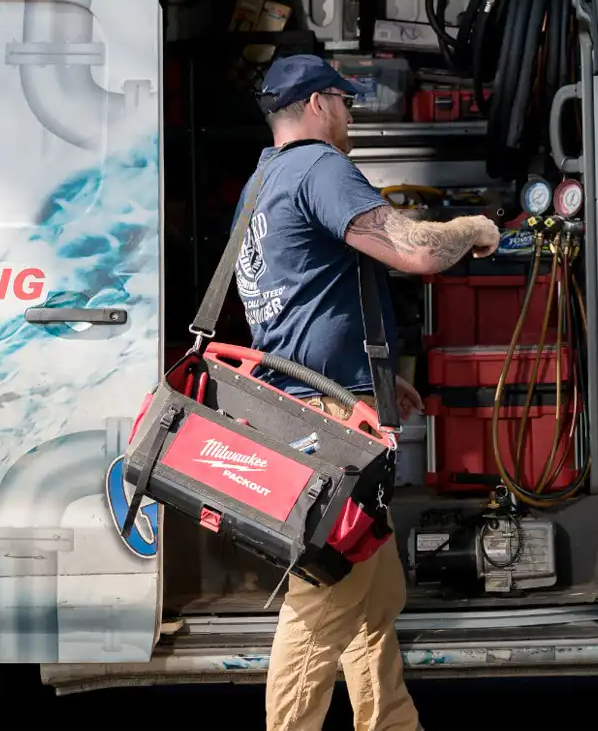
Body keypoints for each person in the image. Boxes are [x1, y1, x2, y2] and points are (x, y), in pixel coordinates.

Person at [232, 54, 501, 731]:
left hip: (309, 406)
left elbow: (296, 303)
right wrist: (472, 227)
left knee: (371, 601)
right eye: (346, 105)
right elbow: (414, 249)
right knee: (323, 604)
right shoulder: (319, 168)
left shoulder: (262, 180)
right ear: (319, 105)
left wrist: (377, 381)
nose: (352, 118)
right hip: (323, 431)